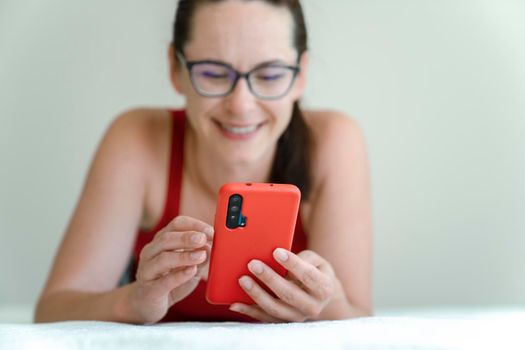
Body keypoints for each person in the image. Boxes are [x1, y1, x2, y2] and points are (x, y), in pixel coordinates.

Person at [35, 0, 372, 324]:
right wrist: (133, 301)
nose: (241, 105)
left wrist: (329, 304)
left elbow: (361, 317)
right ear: (175, 69)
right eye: (213, 73)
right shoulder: (137, 139)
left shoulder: (332, 142)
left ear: (300, 75)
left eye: (269, 75)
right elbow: (53, 309)